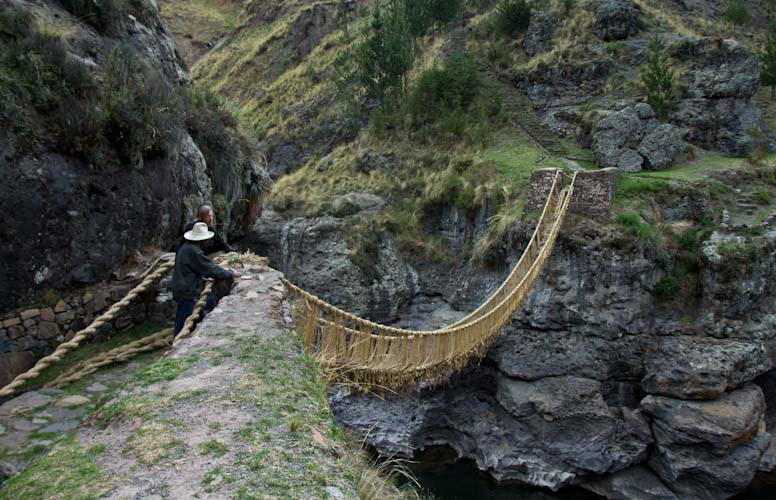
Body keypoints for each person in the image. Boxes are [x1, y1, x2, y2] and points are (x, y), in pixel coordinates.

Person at [172, 222, 239, 336]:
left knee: (197, 313)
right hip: (187, 291)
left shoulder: (185, 248)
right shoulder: (194, 251)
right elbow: (209, 268)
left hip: (182, 288)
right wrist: (229, 274)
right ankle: (176, 346)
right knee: (183, 322)